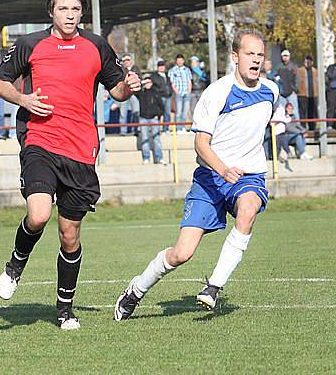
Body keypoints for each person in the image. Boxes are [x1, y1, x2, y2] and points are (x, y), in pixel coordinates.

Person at [0, 0, 141, 329]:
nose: (70, 15)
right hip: (40, 141)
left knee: (69, 234)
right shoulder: (30, 44)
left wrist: (128, 87)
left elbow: (116, 90)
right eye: (64, 8)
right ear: (51, 12)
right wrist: (24, 99)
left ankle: (64, 309)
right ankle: (16, 263)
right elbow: (0, 82)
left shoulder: (96, 46)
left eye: (76, 9)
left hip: (81, 149)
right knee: (40, 213)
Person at [114, 28, 278, 320]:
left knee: (248, 209)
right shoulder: (217, 92)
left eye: (260, 55)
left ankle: (214, 287)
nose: (255, 60)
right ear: (235, 57)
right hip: (211, 178)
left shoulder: (271, 91)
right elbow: (200, 144)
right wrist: (223, 169)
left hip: (247, 176)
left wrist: (237, 170)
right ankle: (136, 290)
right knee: (182, 253)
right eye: (249, 54)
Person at [138, 76, 166, 165]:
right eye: (146, 83)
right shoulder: (141, 93)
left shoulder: (156, 93)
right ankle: (146, 158)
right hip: (143, 119)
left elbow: (162, 106)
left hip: (154, 119)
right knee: (144, 139)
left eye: (149, 82)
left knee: (156, 139)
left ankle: (159, 158)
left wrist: (158, 116)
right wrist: (142, 82)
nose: (147, 84)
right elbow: (134, 90)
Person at [168, 53, 192, 132]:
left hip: (186, 93)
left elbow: (189, 81)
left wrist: (189, 91)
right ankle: (178, 128)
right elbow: (172, 83)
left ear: (183, 61)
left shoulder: (187, 70)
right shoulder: (172, 70)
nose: (180, 62)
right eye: (178, 60)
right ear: (176, 61)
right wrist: (177, 92)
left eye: (181, 60)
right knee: (178, 112)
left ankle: (183, 128)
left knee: (185, 112)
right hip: (178, 93)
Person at [119, 54, 141, 135]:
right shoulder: (121, 69)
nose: (126, 62)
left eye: (127, 60)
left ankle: (135, 130)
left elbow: (139, 79)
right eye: (124, 60)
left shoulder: (136, 69)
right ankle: (123, 131)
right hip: (124, 93)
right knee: (123, 113)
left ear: (131, 60)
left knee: (136, 112)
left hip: (134, 94)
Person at [150, 60, 173, 132]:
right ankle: (156, 129)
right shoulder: (154, 76)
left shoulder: (167, 75)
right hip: (159, 97)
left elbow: (169, 85)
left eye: (163, 66)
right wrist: (158, 93)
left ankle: (166, 128)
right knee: (158, 113)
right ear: (157, 67)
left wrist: (170, 92)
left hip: (168, 96)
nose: (161, 68)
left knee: (167, 113)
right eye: (160, 66)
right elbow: (155, 86)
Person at [296, 56, 318, 130]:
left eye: (309, 62)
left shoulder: (315, 71)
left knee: (312, 111)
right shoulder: (299, 70)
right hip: (302, 94)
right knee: (303, 111)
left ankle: (312, 127)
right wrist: (296, 89)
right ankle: (303, 127)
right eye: (306, 62)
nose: (307, 64)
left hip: (313, 94)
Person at [277, 49, 299, 119]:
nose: (285, 57)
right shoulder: (278, 67)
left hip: (291, 92)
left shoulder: (293, 66)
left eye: (286, 56)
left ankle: (297, 125)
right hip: (282, 93)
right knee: (282, 110)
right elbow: (275, 78)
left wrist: (295, 88)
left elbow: (297, 78)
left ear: (289, 57)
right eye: (283, 56)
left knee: (294, 110)